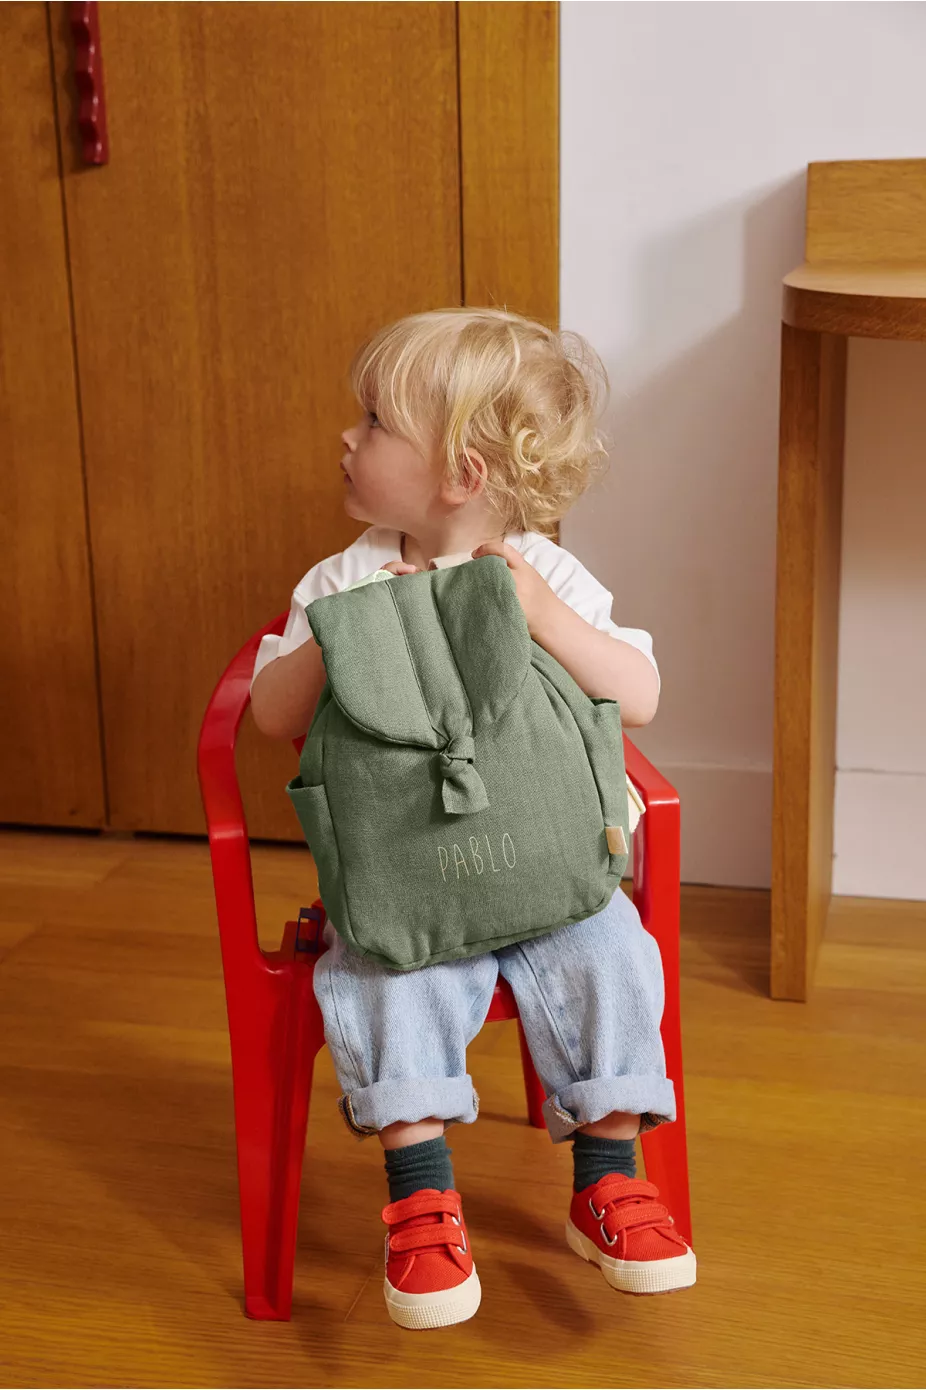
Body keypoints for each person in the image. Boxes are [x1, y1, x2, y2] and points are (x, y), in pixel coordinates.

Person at [250, 308, 696, 1330]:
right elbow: (271, 713)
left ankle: (608, 1176)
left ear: (461, 472)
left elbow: (638, 694)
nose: (347, 436)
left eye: (374, 421)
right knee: (378, 977)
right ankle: (419, 1196)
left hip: (549, 872)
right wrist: (343, 636)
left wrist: (542, 616)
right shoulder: (343, 579)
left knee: (613, 954)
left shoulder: (545, 573)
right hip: (407, 882)